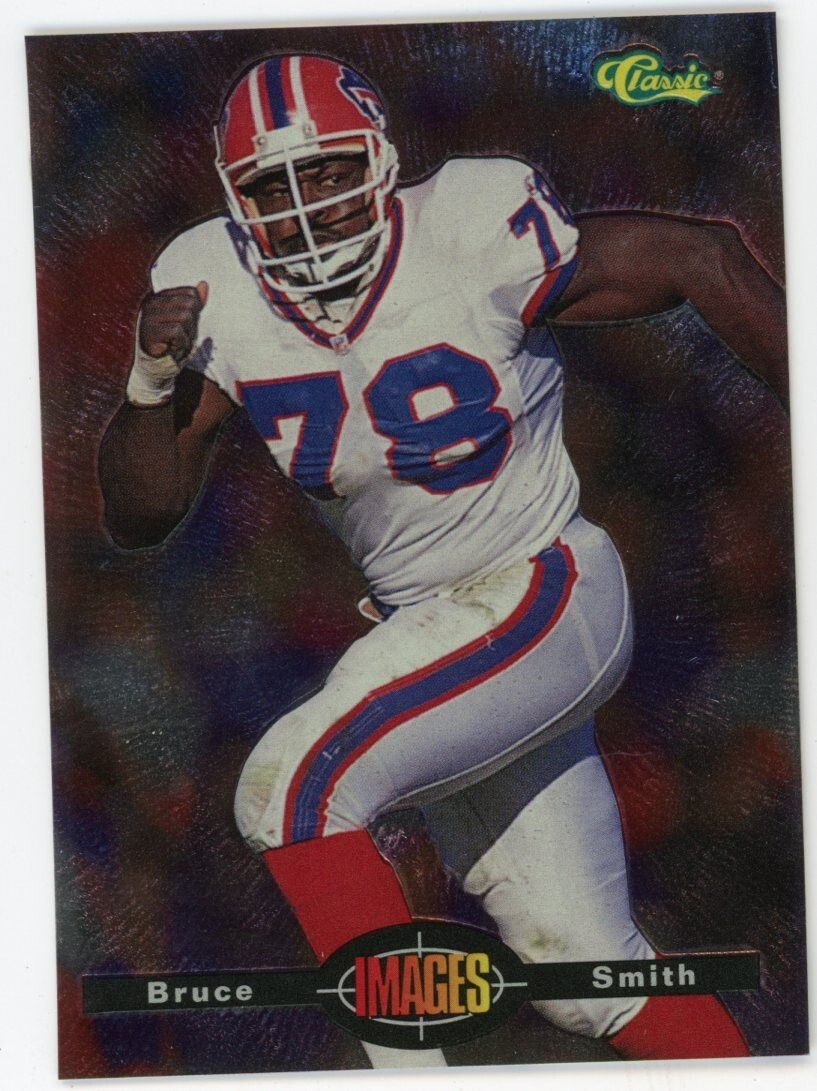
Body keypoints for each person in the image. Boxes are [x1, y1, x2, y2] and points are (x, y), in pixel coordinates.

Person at [98, 53, 786, 1067]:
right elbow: (141, 513)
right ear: (234, 200)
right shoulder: (217, 286)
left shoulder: (465, 226)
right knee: (591, 977)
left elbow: (701, 256)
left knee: (289, 790)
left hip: (541, 584)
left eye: (327, 171)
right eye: (271, 188)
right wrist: (149, 381)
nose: (305, 207)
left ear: (378, 160)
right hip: (432, 630)